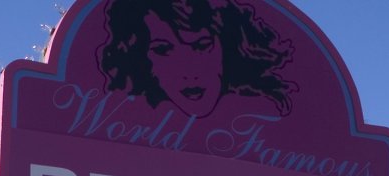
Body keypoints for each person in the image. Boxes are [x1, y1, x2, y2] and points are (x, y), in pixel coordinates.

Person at [100, 0, 295, 118]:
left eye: (202, 45)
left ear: (230, 48)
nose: (189, 73)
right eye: (162, 49)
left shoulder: (269, 114)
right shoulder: (117, 118)